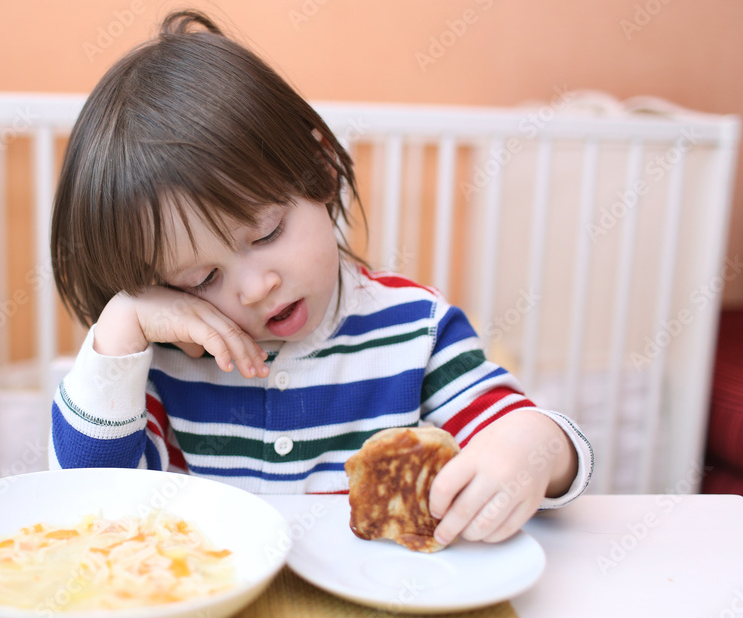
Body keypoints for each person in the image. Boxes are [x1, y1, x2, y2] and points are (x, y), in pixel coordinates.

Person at [49, 10, 593, 546]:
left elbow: (522, 432)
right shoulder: (162, 362)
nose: (255, 286)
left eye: (266, 234)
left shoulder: (414, 329)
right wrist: (120, 326)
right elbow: (87, 499)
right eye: (202, 277)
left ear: (323, 171)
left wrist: (531, 449)